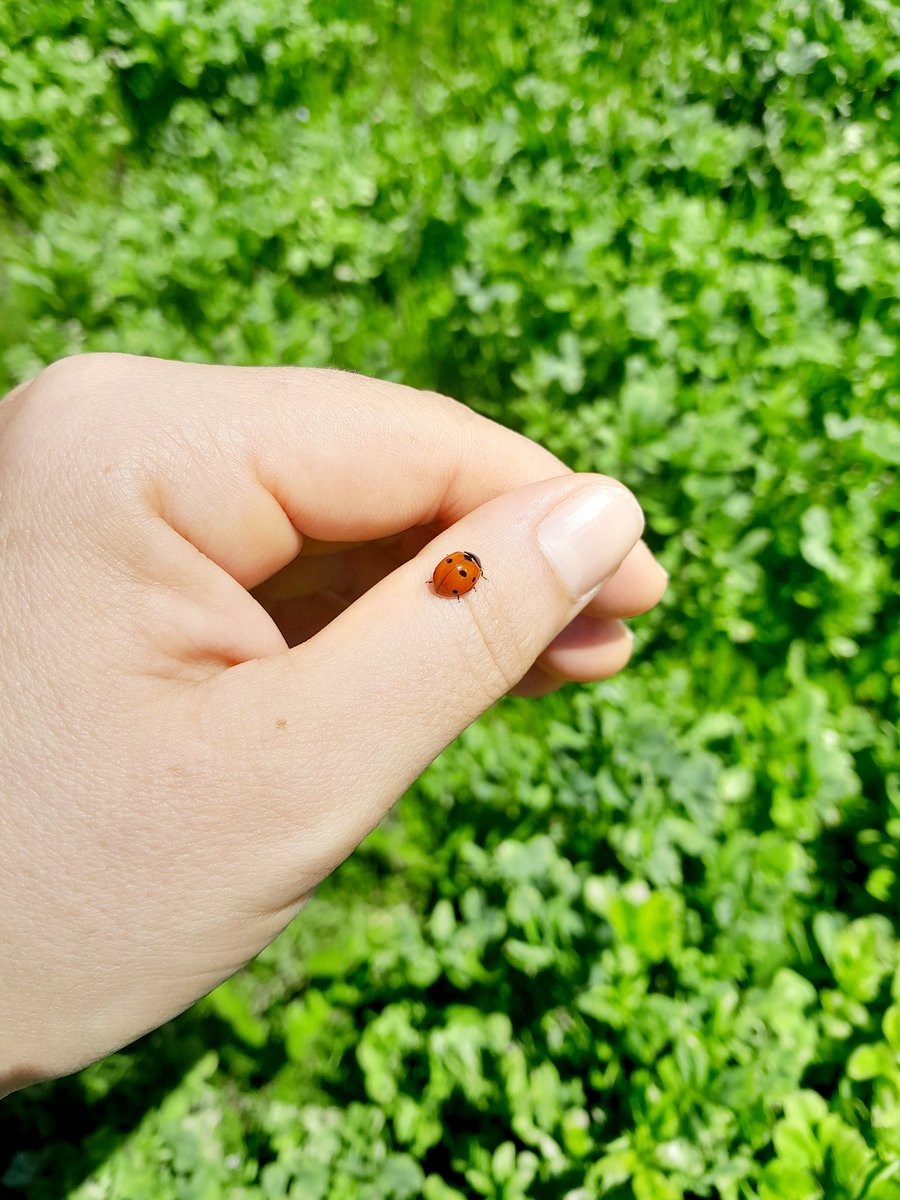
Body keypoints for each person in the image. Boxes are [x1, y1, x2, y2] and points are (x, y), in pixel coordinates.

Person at [0, 353, 667, 1096]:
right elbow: (461, 586)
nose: (463, 573)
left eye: (466, 571)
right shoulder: (465, 573)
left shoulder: (459, 569)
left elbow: (454, 578)